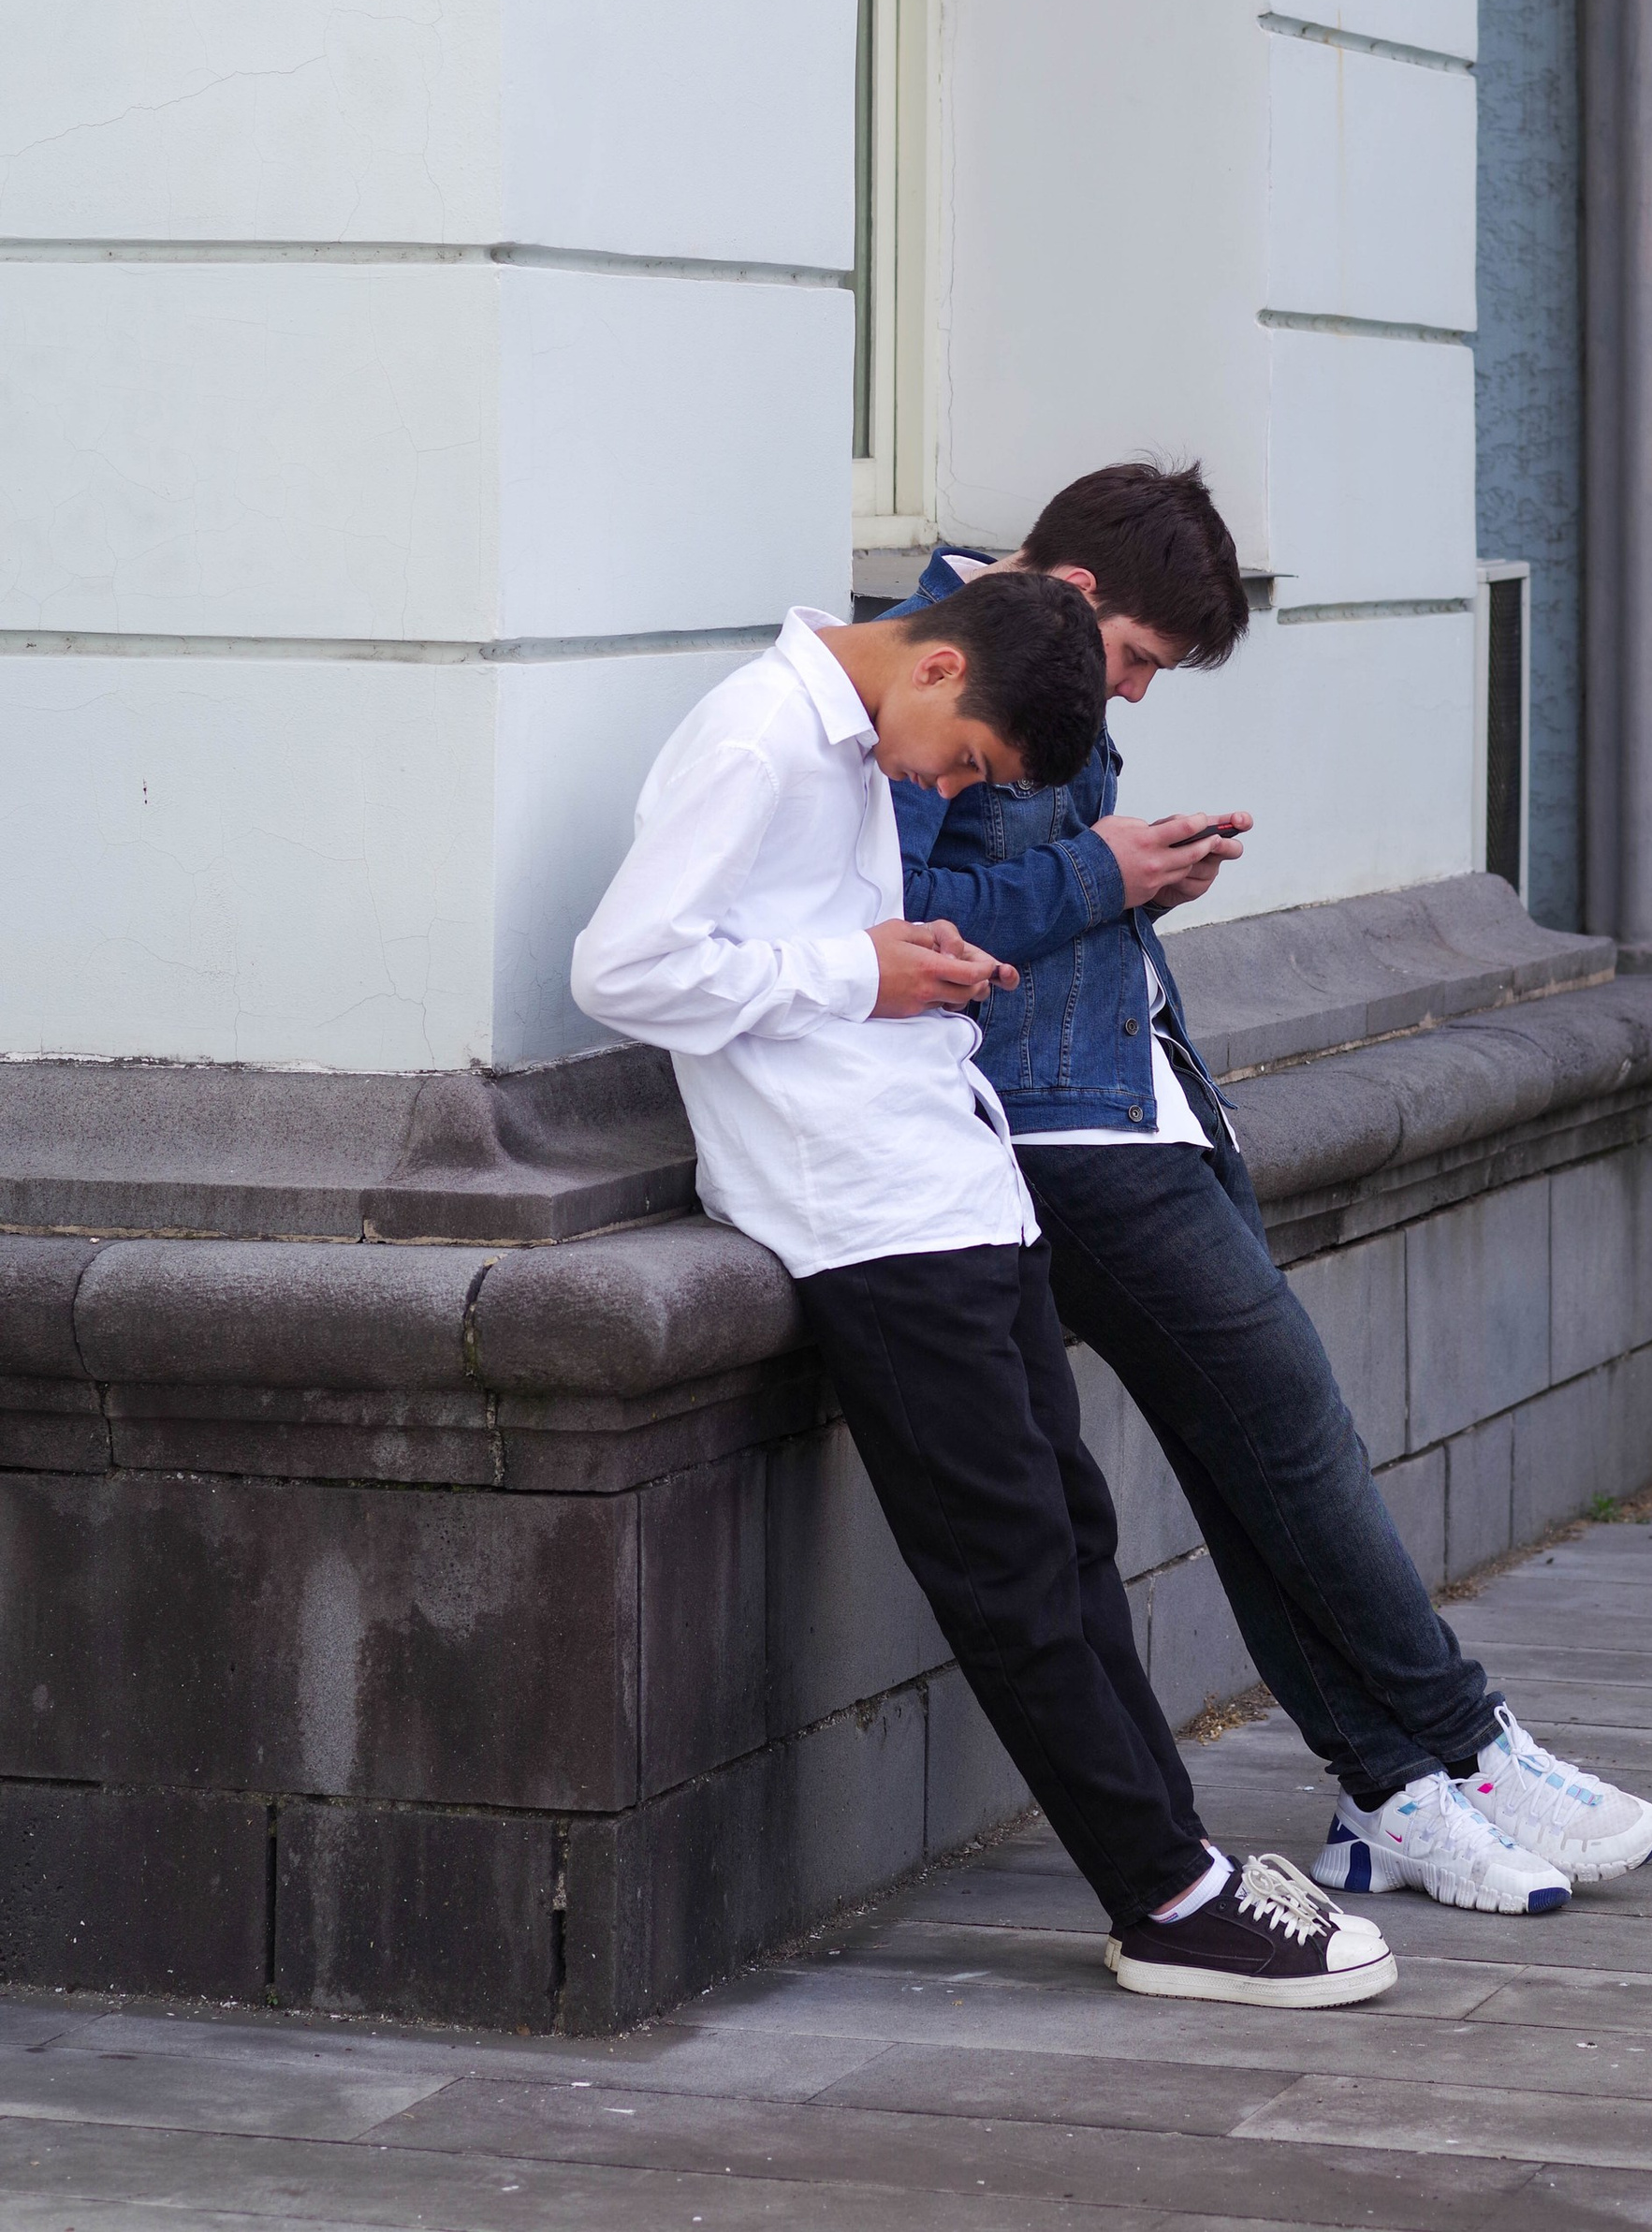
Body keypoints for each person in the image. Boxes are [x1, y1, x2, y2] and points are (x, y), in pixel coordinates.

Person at [570, 566, 1393, 2007]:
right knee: (1011, 1563)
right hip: (860, 1207)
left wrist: (917, 965)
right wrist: (858, 972)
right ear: (939, 667)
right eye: (968, 763)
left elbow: (825, 947)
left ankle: (1181, 1862)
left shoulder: (848, 734)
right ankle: (1165, 1896)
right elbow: (623, 968)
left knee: (1070, 1533)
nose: (947, 784)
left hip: (952, 1171)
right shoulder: (762, 735)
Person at [892, 467, 1652, 1919]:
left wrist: (1133, 883)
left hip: (1152, 1101)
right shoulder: (929, 668)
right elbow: (900, 933)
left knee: (1261, 1464)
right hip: (1059, 1144)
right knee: (1295, 1439)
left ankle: (1388, 1789)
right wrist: (1103, 876)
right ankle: (1468, 1742)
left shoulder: (1026, 653)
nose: (1128, 695)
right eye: (1132, 660)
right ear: (1068, 594)